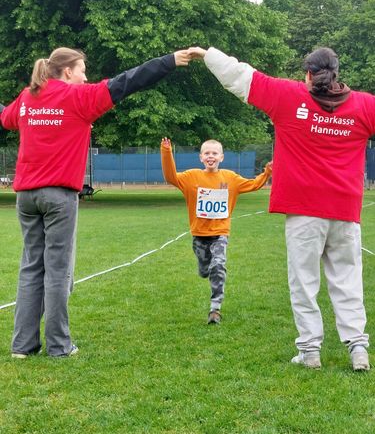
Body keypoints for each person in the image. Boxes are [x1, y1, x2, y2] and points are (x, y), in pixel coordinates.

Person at [188, 45, 375, 370]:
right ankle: (358, 348)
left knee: (303, 281)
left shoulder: (290, 97)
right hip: (345, 211)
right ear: (336, 73)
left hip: (304, 211)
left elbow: (240, 76)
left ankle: (310, 351)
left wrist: (207, 55)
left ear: (308, 74)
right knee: (347, 279)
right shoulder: (364, 105)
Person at [0, 46, 191, 358]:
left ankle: (22, 346)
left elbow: (5, 117)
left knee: (31, 268)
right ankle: (60, 346)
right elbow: (128, 81)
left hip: (26, 197)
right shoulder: (79, 98)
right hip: (59, 197)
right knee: (58, 271)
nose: (86, 76)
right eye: (82, 70)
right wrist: (169, 61)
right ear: (67, 71)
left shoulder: (27, 97)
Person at [161, 137, 272, 323]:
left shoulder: (230, 178)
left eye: (214, 153)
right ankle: (204, 268)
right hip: (199, 235)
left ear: (221, 157)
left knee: (218, 266)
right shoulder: (191, 177)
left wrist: (267, 172)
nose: (210, 156)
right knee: (206, 270)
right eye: (207, 153)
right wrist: (166, 152)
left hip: (220, 233)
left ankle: (215, 309)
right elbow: (170, 177)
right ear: (201, 157)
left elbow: (253, 184)